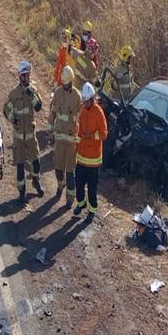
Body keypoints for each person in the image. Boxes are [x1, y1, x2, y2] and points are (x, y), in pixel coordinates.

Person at [3, 60, 44, 201]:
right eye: (25, 76)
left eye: (29, 75)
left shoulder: (33, 91)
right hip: (19, 137)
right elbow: (6, 109)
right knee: (20, 166)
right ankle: (22, 192)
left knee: (36, 163)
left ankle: (36, 181)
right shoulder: (14, 93)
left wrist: (31, 93)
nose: (28, 78)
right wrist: (13, 119)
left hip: (31, 136)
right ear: (20, 76)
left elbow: (38, 107)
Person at [49, 65, 82, 206]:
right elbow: (52, 114)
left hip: (71, 141)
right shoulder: (57, 94)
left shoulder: (77, 96)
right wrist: (50, 130)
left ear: (72, 81)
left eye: (67, 83)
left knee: (70, 172)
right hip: (59, 138)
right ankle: (60, 185)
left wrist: (79, 136)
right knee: (58, 169)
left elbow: (81, 118)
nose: (65, 85)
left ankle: (70, 198)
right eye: (63, 82)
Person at [74, 82, 108, 220]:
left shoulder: (98, 112)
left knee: (92, 189)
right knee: (79, 184)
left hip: (93, 160)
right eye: (84, 101)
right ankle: (81, 203)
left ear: (92, 99)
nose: (85, 103)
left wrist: (92, 136)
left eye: (87, 101)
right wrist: (76, 140)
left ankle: (92, 210)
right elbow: (79, 131)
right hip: (81, 157)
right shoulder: (83, 111)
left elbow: (104, 134)